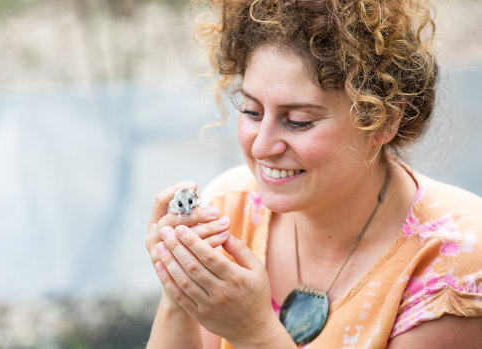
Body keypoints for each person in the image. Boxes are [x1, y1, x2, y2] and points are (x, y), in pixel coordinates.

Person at [144, 0, 482, 347]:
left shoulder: (454, 266)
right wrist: (180, 288)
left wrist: (255, 333)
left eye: (298, 121)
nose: (261, 147)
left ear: (383, 122)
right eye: (252, 111)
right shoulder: (230, 209)